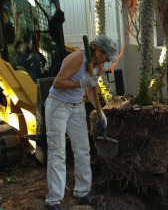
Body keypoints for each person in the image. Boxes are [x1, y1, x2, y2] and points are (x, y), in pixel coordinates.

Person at [44, 35, 118, 210]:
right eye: (106, 56)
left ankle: (82, 191)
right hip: (58, 106)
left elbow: (91, 91)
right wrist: (81, 82)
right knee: (57, 152)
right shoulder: (77, 57)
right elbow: (58, 83)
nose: (107, 61)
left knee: (83, 149)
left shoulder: (97, 67)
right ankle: (54, 200)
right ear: (98, 50)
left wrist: (100, 112)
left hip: (77, 107)